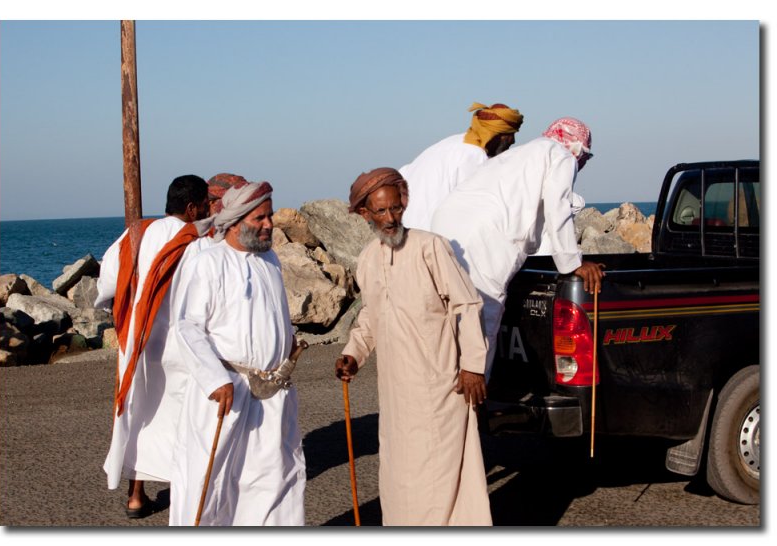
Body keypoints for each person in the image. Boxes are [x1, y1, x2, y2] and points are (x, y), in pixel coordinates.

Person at [335, 168, 492, 526]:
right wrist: (353, 354)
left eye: (396, 208)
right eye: (381, 212)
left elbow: (466, 304)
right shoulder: (368, 259)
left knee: (440, 478)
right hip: (395, 395)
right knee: (401, 479)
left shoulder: (430, 246)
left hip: (439, 387)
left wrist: (472, 366)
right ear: (364, 214)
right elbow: (371, 318)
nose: (391, 219)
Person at [167, 179, 306, 526]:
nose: (269, 224)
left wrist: (285, 345)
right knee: (211, 481)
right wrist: (215, 379)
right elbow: (186, 326)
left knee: (274, 479)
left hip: (271, 394)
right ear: (237, 220)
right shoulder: (208, 263)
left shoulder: (270, 259)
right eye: (260, 218)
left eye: (270, 216)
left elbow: (275, 313)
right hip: (226, 393)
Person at [431, 117, 606, 381]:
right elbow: (558, 209)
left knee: (449, 325)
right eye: (586, 157)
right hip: (484, 242)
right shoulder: (561, 156)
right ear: (577, 148)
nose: (584, 164)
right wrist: (573, 263)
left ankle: (442, 398)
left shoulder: (520, 155)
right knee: (481, 323)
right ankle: (470, 410)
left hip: (444, 232)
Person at [94, 174, 211, 518]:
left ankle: (136, 495)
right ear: (191, 208)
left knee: (138, 414)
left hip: (138, 341)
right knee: (182, 418)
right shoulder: (198, 239)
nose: (209, 209)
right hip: (181, 343)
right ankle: (187, 492)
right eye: (206, 203)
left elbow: (108, 285)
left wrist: (126, 314)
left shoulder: (135, 233)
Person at [399, 102, 524, 231]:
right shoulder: (474, 155)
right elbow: (474, 207)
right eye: (510, 135)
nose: (513, 141)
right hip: (433, 235)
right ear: (498, 135)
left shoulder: (452, 143)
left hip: (409, 231)